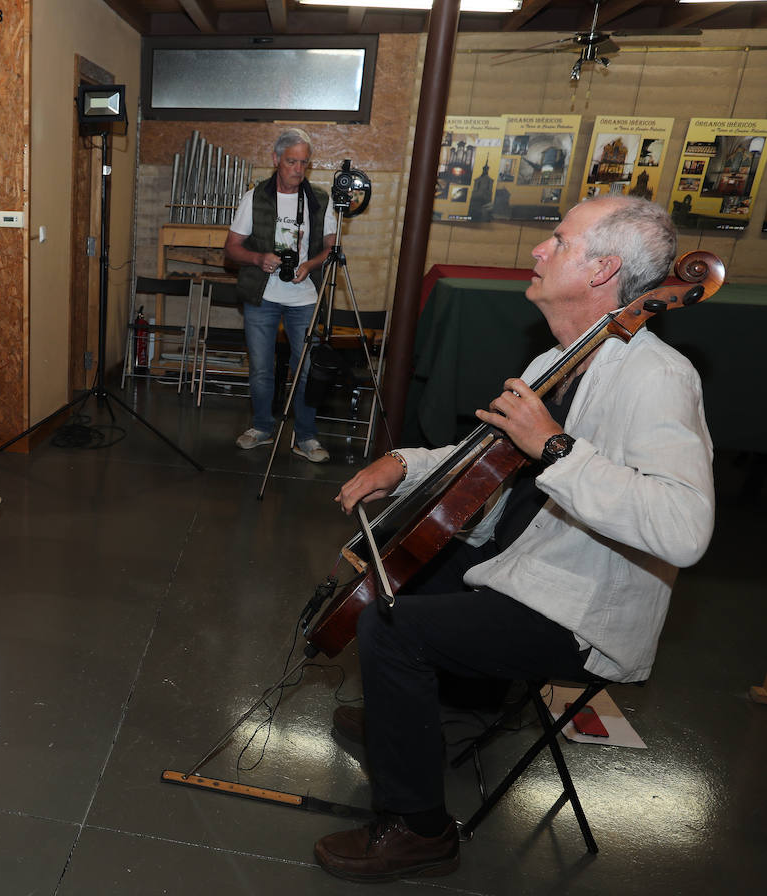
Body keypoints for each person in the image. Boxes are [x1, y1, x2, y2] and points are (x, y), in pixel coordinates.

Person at [315, 197, 715, 882]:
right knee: (394, 573)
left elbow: (684, 529)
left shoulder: (660, 379)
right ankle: (415, 725)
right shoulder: (554, 363)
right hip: (523, 557)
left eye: (558, 241)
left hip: (578, 604)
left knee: (391, 630)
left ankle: (419, 830)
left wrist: (554, 446)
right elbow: (484, 460)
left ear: (603, 270)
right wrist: (402, 465)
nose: (537, 250)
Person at [223, 127, 338, 463]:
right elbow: (230, 250)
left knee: (305, 370)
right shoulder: (254, 198)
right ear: (276, 160)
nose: (298, 169)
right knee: (261, 368)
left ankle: (306, 436)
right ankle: (261, 427)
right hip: (263, 297)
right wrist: (259, 259)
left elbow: (331, 248)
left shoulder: (319, 199)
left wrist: (311, 263)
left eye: (304, 163)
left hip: (304, 297)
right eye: (291, 162)